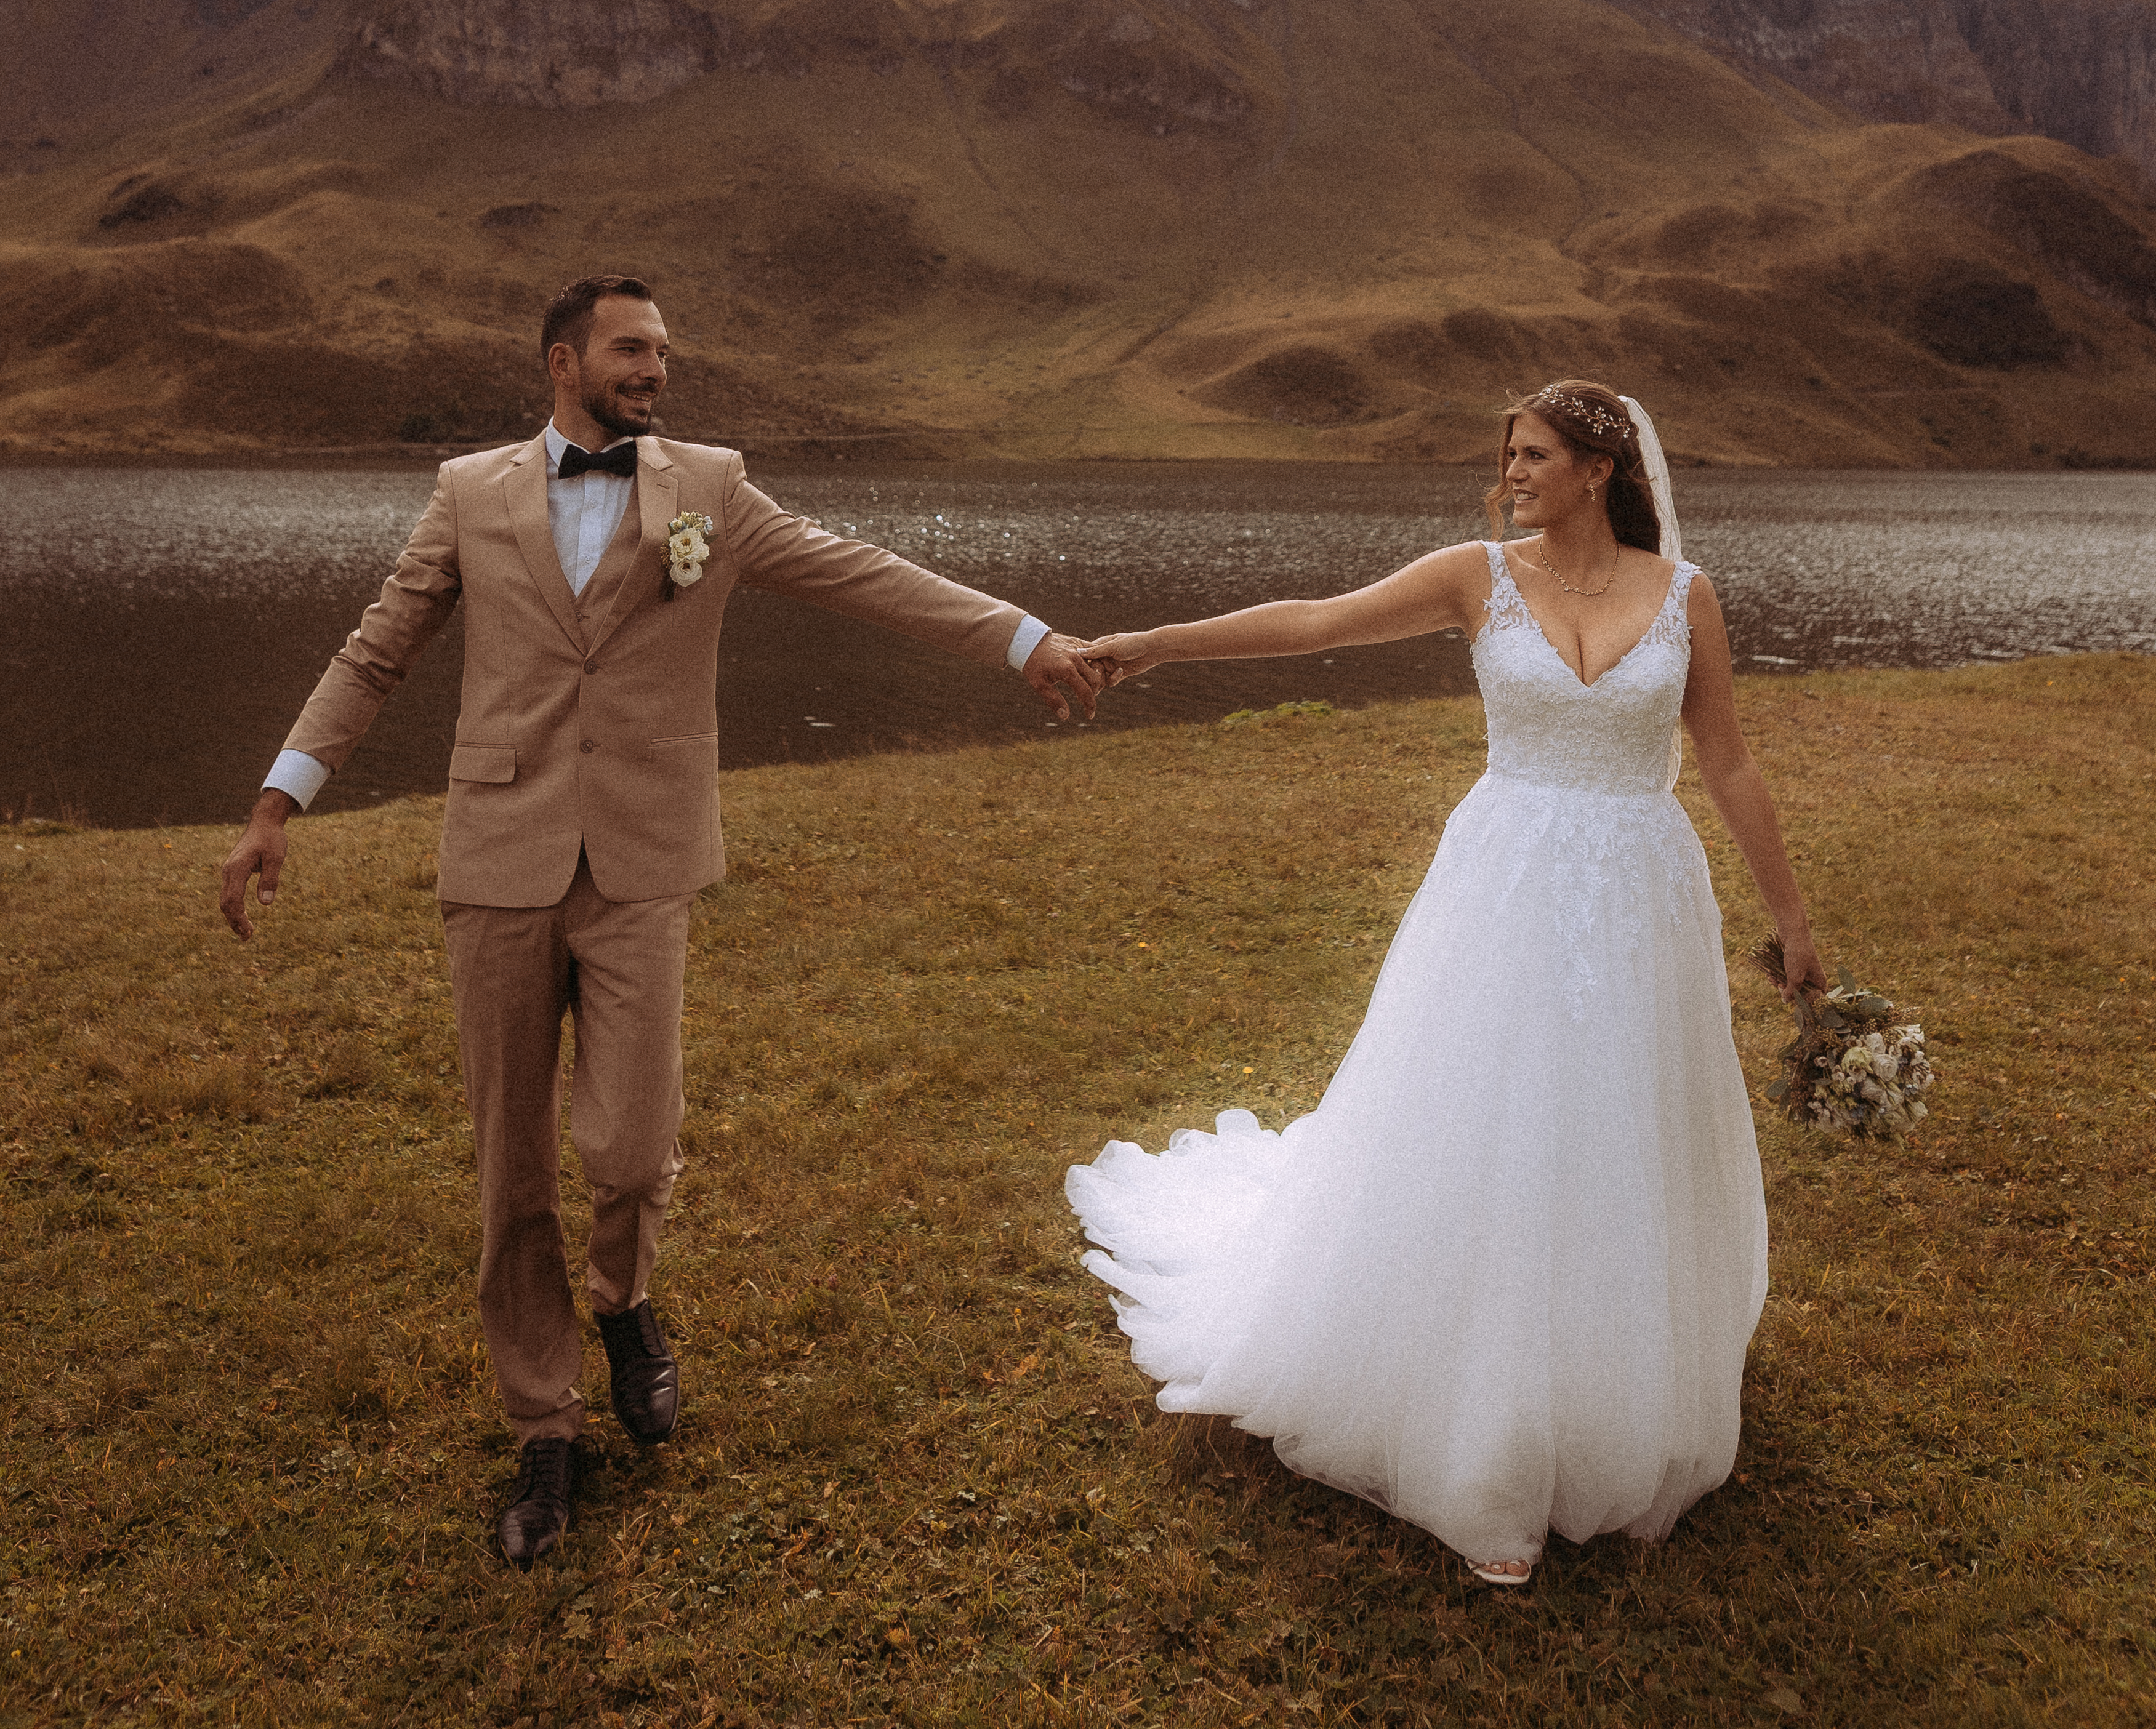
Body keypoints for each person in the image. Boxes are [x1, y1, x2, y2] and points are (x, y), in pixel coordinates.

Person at [219, 274, 1106, 1568]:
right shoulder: (470, 492)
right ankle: (545, 1427)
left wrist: (1018, 633)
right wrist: (279, 798)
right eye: (633, 348)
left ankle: (623, 1301)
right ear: (561, 358)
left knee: (631, 1150)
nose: (656, 369)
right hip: (499, 854)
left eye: (664, 350)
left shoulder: (711, 485)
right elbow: (377, 648)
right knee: (509, 1171)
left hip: (642, 861)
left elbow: (856, 572)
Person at [1066, 379, 1823, 1587]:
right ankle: (1484, 1420)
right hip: (1503, 882)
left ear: (1596, 465)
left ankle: (1618, 1386)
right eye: (1508, 453)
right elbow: (1315, 622)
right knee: (1495, 1115)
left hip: (1639, 890)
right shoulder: (1473, 574)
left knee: (1616, 1126)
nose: (1510, 470)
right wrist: (1154, 645)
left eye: (1531, 453)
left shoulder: (1686, 595)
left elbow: (1723, 755)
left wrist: (1790, 919)